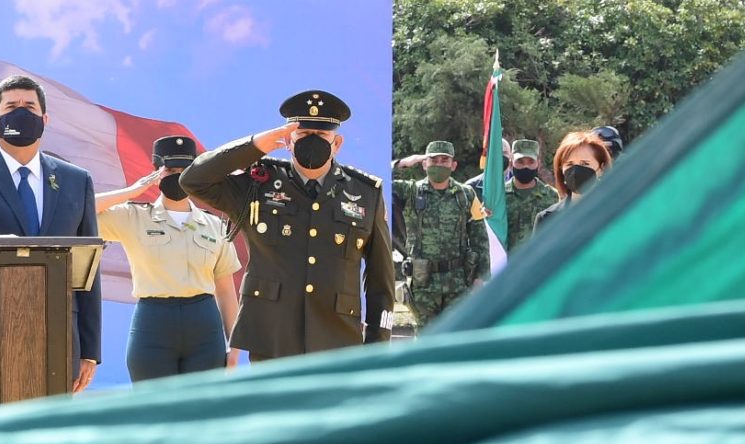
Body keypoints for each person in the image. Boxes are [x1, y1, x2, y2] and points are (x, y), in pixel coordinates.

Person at [180, 89, 395, 361]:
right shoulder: (257, 184)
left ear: (337, 143)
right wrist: (255, 145)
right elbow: (193, 180)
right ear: (288, 141)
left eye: (321, 135)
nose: (312, 141)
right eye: (303, 134)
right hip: (271, 338)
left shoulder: (365, 193)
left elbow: (380, 280)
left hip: (338, 339)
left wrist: (377, 349)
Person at [0, 74, 102, 404]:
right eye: (11, 107)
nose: (21, 112)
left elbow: (89, 267)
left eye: (29, 106)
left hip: (57, 338)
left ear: (45, 119)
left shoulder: (76, 180)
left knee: (50, 436)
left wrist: (90, 350)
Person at [93, 134, 242, 379]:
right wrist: (133, 191)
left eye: (185, 170)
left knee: (206, 403)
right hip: (153, 323)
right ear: (157, 172)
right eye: (170, 170)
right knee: (153, 401)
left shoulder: (214, 225)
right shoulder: (134, 217)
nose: (178, 176)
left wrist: (234, 346)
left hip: (204, 327)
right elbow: (80, 209)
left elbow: (226, 291)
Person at [398, 139, 490, 327]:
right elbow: (378, 178)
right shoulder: (410, 191)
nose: (439, 164)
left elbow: (480, 238)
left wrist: (480, 277)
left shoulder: (466, 195)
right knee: (425, 338)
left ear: (453, 165)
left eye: (444, 160)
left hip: (458, 283)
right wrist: (402, 163)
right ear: (424, 164)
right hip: (423, 284)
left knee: (456, 336)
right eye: (433, 160)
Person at [535, 129, 613, 230]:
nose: (576, 170)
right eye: (569, 164)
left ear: (602, 168)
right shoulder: (547, 219)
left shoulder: (617, 215)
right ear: (561, 169)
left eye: (585, 163)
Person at [501, 138, 558, 251]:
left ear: (538, 164)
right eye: (520, 162)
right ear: (511, 163)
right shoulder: (499, 196)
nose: (525, 167)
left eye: (531, 162)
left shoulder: (552, 196)